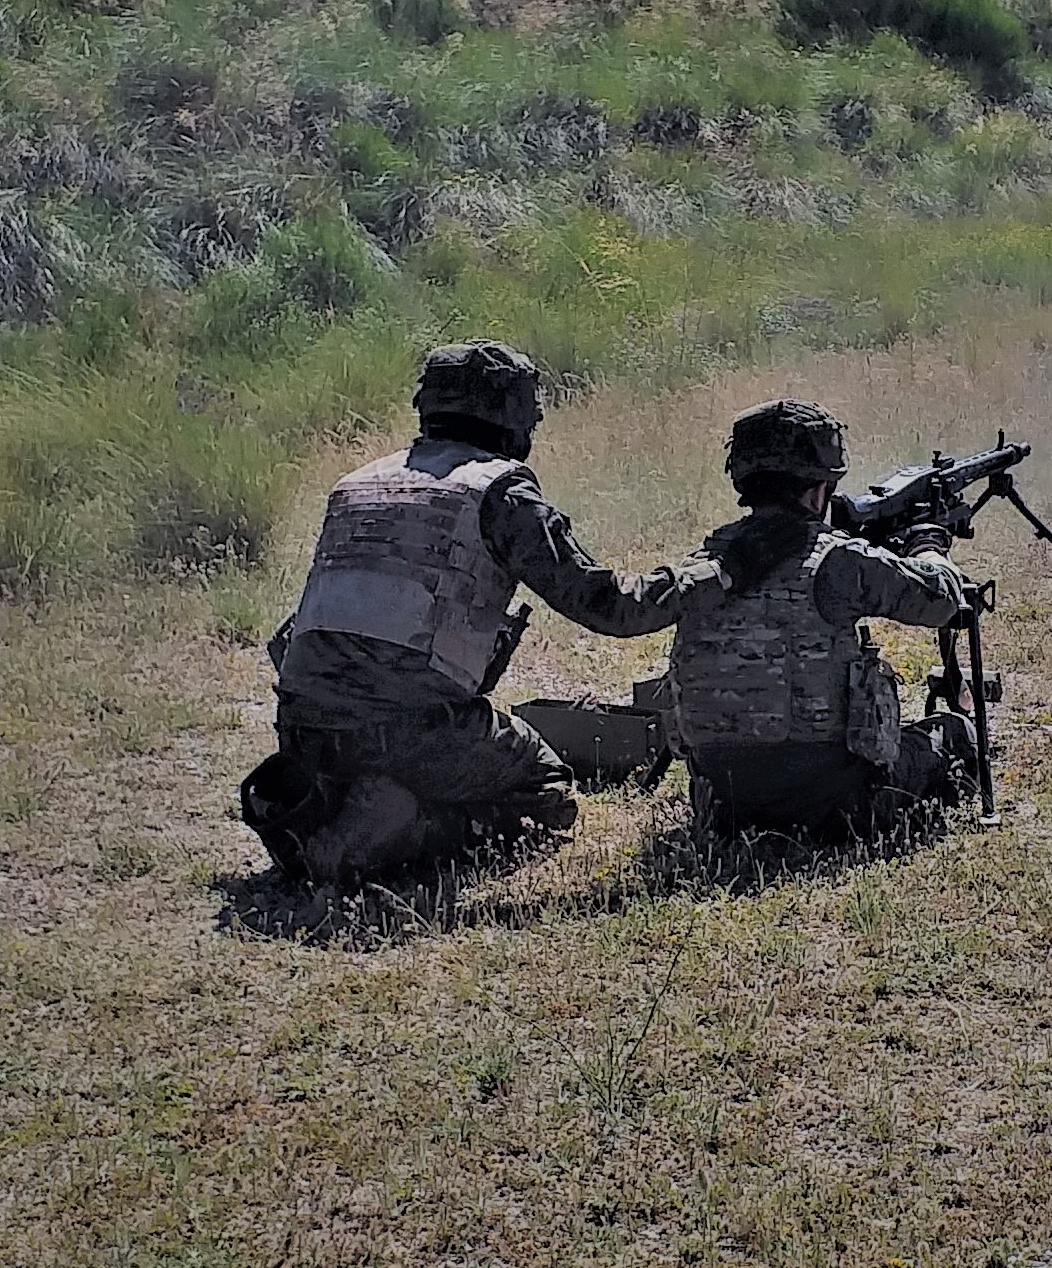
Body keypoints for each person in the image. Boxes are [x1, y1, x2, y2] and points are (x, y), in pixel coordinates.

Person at [246, 340, 728, 883]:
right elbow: (612, 608)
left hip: (303, 732)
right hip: (405, 732)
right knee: (546, 793)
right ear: (509, 415)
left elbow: (301, 634)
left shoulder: (357, 483)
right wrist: (711, 574)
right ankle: (386, 830)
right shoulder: (500, 492)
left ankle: (336, 801)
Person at [665, 399, 979, 843]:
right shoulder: (838, 561)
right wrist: (928, 544)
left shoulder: (703, 564)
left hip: (723, 806)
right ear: (818, 490)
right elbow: (940, 600)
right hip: (836, 809)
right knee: (956, 733)